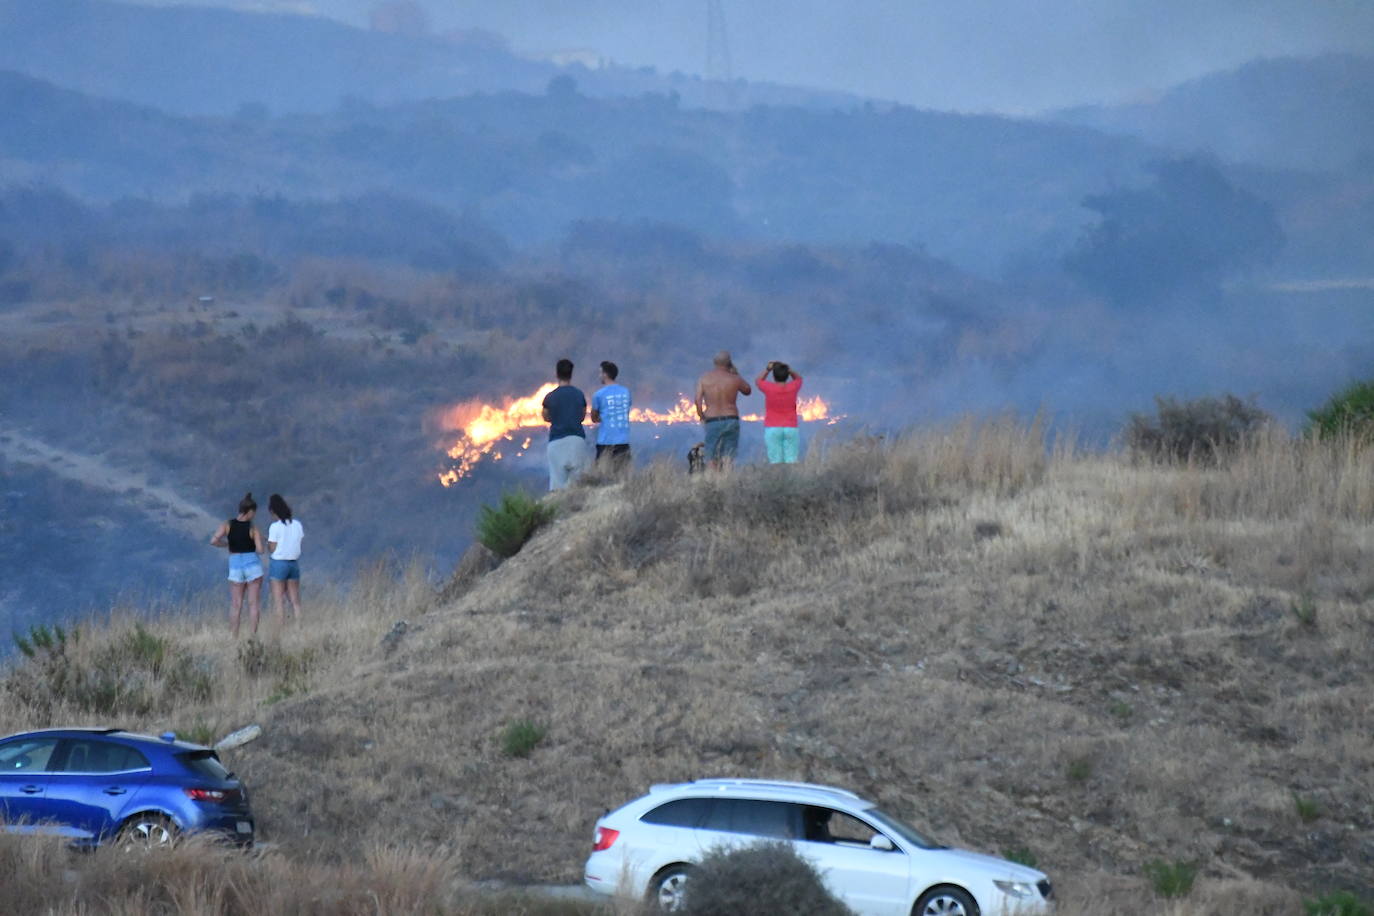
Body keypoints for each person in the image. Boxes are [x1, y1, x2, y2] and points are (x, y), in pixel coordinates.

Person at [210, 492, 265, 638]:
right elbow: (260, 550)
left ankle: (234, 636)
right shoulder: (253, 527)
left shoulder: (227, 525)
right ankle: (253, 637)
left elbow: (213, 541)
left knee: (236, 604)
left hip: (235, 565)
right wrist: (258, 539)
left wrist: (226, 545)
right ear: (251, 511)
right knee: (253, 604)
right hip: (252, 564)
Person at [694, 350, 752, 470]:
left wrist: (701, 416)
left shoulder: (704, 379)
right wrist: (735, 373)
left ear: (714, 362)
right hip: (731, 418)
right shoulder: (734, 378)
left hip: (712, 420)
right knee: (728, 456)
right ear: (729, 363)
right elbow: (748, 390)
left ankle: (714, 482)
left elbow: (698, 400)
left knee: (711, 455)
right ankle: (727, 480)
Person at [541, 357, 588, 490]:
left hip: (556, 442)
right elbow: (582, 416)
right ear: (571, 375)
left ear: (556, 374)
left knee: (557, 486)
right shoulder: (579, 395)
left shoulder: (550, 397)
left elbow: (546, 417)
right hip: (577, 441)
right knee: (578, 486)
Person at [266, 493, 304, 628]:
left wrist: (268, 544)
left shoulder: (275, 527)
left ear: (273, 511)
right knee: (295, 600)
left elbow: (272, 547)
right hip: (293, 563)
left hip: (279, 564)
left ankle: (280, 629)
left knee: (279, 600)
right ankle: (299, 626)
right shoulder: (297, 525)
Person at [757, 360, 804, 464]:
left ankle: (778, 479)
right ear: (787, 375)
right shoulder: (793, 387)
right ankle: (792, 479)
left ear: (773, 377)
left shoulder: (769, 387)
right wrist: (789, 369)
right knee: (792, 461)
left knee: (775, 462)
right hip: (791, 427)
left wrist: (768, 369)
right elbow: (799, 378)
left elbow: (758, 381)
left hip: (773, 427)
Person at [591, 360, 632, 473]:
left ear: (605, 374)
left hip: (605, 442)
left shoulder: (598, 394)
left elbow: (593, 417)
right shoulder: (626, 392)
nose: (599, 376)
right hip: (623, 441)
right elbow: (625, 411)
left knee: (601, 476)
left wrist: (600, 417)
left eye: (600, 373)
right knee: (622, 477)